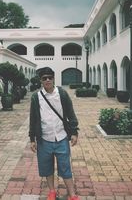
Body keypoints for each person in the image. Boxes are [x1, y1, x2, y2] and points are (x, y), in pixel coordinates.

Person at [29, 67, 80, 200]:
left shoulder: (62, 94)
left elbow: (71, 113)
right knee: (47, 167)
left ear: (53, 78)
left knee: (65, 167)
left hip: (61, 137)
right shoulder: (36, 97)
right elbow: (33, 119)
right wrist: (32, 139)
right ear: (41, 80)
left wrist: (74, 132)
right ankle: (52, 191)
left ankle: (72, 194)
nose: (47, 80)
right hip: (44, 139)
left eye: (49, 78)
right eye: (44, 78)